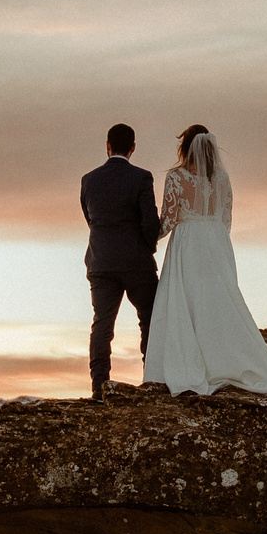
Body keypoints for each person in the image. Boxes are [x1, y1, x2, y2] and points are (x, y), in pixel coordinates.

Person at [143, 125, 267, 398]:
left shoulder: (177, 177)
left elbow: (168, 220)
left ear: (186, 147)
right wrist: (215, 240)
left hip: (188, 242)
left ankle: (191, 367)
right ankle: (224, 359)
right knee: (217, 302)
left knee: (186, 303)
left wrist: (147, 242)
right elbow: (226, 219)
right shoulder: (223, 179)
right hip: (216, 242)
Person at [80, 123, 160, 400]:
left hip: (101, 261)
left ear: (107, 144)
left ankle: (99, 387)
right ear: (133, 148)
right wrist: (148, 247)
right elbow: (149, 220)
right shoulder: (141, 178)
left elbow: (90, 219)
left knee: (102, 324)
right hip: (136, 260)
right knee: (150, 319)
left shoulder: (89, 180)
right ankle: (152, 379)